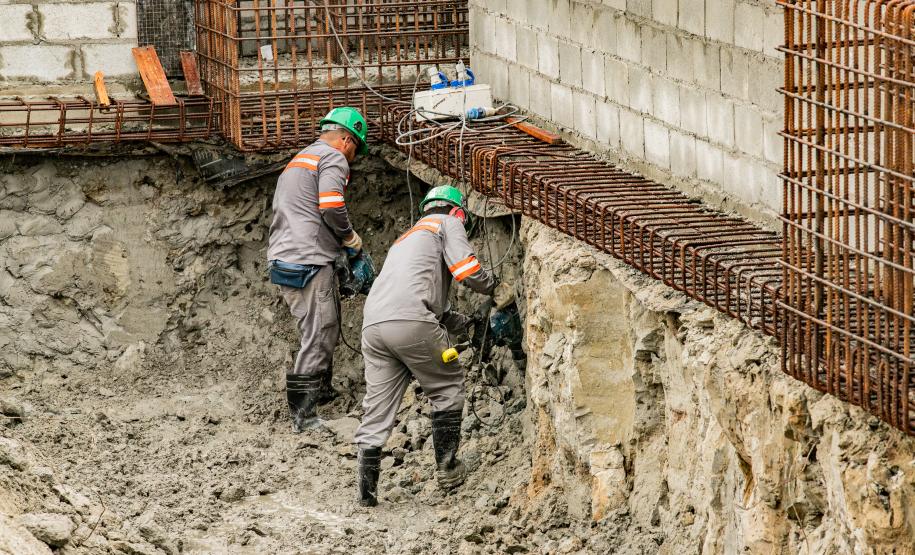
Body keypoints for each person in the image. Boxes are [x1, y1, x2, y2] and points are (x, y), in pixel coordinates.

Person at [353, 185, 500, 507]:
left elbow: (418, 294)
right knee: (447, 387)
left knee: (377, 408)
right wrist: (495, 288)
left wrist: (460, 322)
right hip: (412, 324)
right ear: (458, 212)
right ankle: (447, 468)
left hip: (375, 328)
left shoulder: (406, 239)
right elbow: (466, 269)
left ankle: (366, 494)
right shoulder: (448, 223)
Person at [267, 107, 369, 433]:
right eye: (356, 149)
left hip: (284, 255)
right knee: (322, 331)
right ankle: (304, 417)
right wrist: (350, 238)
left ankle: (320, 391)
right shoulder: (333, 158)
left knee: (319, 326)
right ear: (346, 139)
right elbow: (330, 204)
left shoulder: (301, 159)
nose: (353, 158)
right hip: (308, 259)